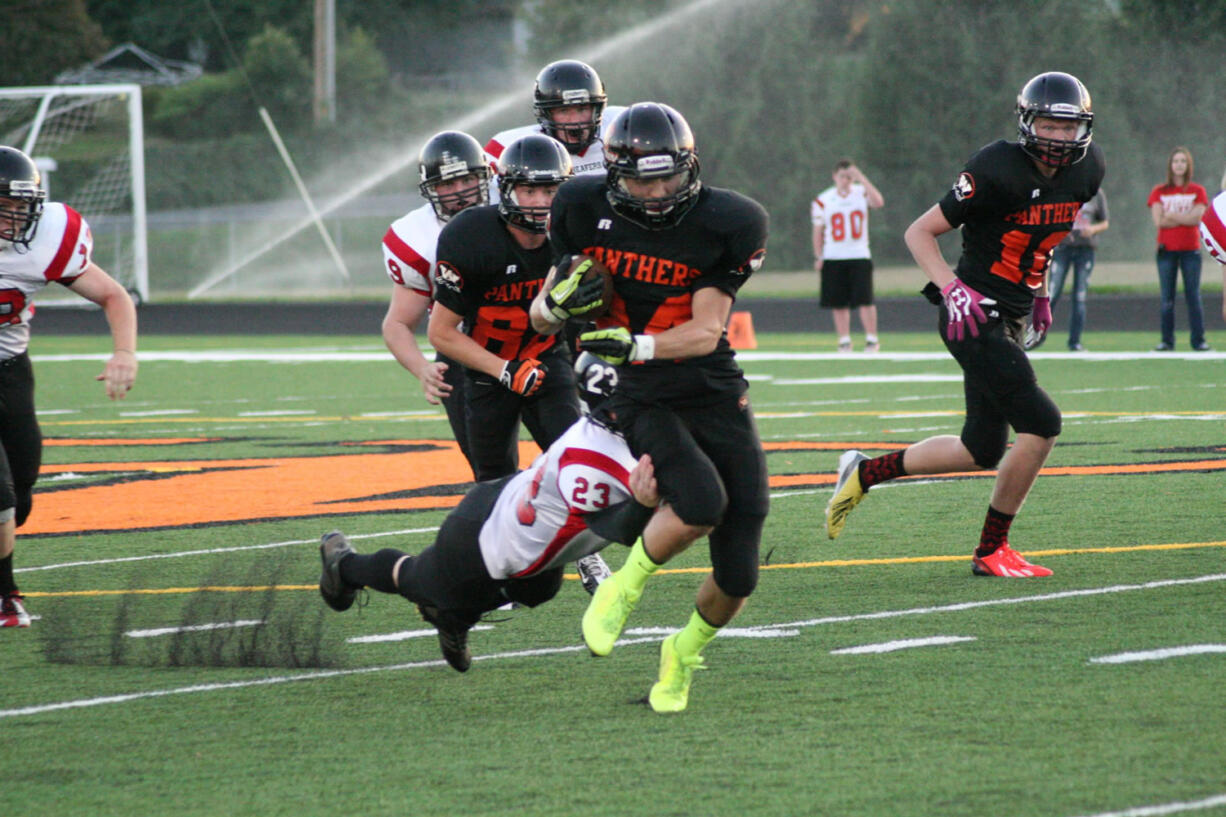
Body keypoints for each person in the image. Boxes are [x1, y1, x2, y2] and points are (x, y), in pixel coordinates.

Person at [536, 101, 770, 713]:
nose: (659, 191)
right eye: (642, 179)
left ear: (689, 167)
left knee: (741, 567)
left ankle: (683, 653)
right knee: (700, 500)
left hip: (710, 384)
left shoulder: (731, 221)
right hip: (636, 389)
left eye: (668, 176)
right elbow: (543, 312)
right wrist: (555, 307)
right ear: (614, 175)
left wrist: (636, 341)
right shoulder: (580, 206)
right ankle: (622, 589)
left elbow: (706, 331)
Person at [825, 71, 1105, 579]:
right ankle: (991, 548)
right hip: (974, 315)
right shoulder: (996, 166)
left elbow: (1045, 238)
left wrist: (1039, 297)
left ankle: (864, 472)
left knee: (980, 449)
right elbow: (919, 232)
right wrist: (953, 290)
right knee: (1042, 425)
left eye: (1069, 127)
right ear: (1027, 121)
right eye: (1049, 124)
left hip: (1014, 312)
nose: (1060, 137)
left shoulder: (1089, 170)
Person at [317, 353, 658, 672]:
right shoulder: (594, 465)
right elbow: (624, 530)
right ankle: (344, 565)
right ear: (614, 409)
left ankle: (454, 616)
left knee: (539, 589)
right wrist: (644, 505)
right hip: (481, 534)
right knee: (414, 577)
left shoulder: (610, 435)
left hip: (517, 519)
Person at [426, 133, 611, 595]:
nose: (540, 202)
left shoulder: (574, 233)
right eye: (529, 190)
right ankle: (493, 572)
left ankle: (586, 557)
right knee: (494, 482)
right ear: (506, 189)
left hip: (547, 360)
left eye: (550, 191)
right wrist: (504, 371)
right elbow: (440, 333)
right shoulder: (469, 235)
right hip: (487, 371)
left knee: (575, 462)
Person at [0, 146, 138, 628]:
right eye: (2, 207)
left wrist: (124, 353)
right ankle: (5, 595)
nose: (12, 218)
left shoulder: (47, 240)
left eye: (19, 207)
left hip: (10, 367)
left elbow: (113, 295)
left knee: (21, 490)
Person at [380, 130, 490, 478]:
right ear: (431, 190)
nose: (460, 193)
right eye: (447, 184)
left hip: (533, 343)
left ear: (483, 177)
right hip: (462, 351)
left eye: (468, 179)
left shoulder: (517, 206)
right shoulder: (417, 238)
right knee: (488, 469)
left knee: (568, 446)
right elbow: (397, 324)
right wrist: (422, 368)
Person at [484, 59, 625, 186]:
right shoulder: (510, 147)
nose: (575, 120)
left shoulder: (619, 124)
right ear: (545, 114)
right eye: (563, 110)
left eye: (582, 109)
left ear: (598, 109)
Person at [811, 159, 885, 352]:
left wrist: (861, 178)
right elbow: (818, 230)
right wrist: (819, 256)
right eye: (843, 176)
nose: (846, 181)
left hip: (859, 254)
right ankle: (844, 340)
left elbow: (878, 202)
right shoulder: (823, 199)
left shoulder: (861, 192)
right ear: (834, 176)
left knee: (865, 299)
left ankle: (871, 338)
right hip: (834, 255)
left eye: (849, 177)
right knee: (838, 301)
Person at [1148, 146, 1210, 351]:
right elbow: (1159, 221)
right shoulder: (1159, 191)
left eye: (1183, 161)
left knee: (1193, 296)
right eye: (1176, 161)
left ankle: (1198, 340)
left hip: (1190, 250)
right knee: (1167, 298)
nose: (1179, 165)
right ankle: (1167, 341)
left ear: (1188, 165)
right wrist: (1185, 219)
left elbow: (1199, 217)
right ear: (1170, 165)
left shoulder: (1197, 191)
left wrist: (1172, 216)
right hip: (1167, 251)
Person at [1044, 188, 1109, 351]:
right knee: (1052, 291)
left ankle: (1075, 341)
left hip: (1086, 250)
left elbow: (1105, 222)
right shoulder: (1064, 188)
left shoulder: (1096, 193)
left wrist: (1092, 230)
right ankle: (1037, 335)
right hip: (1062, 248)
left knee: (1079, 295)